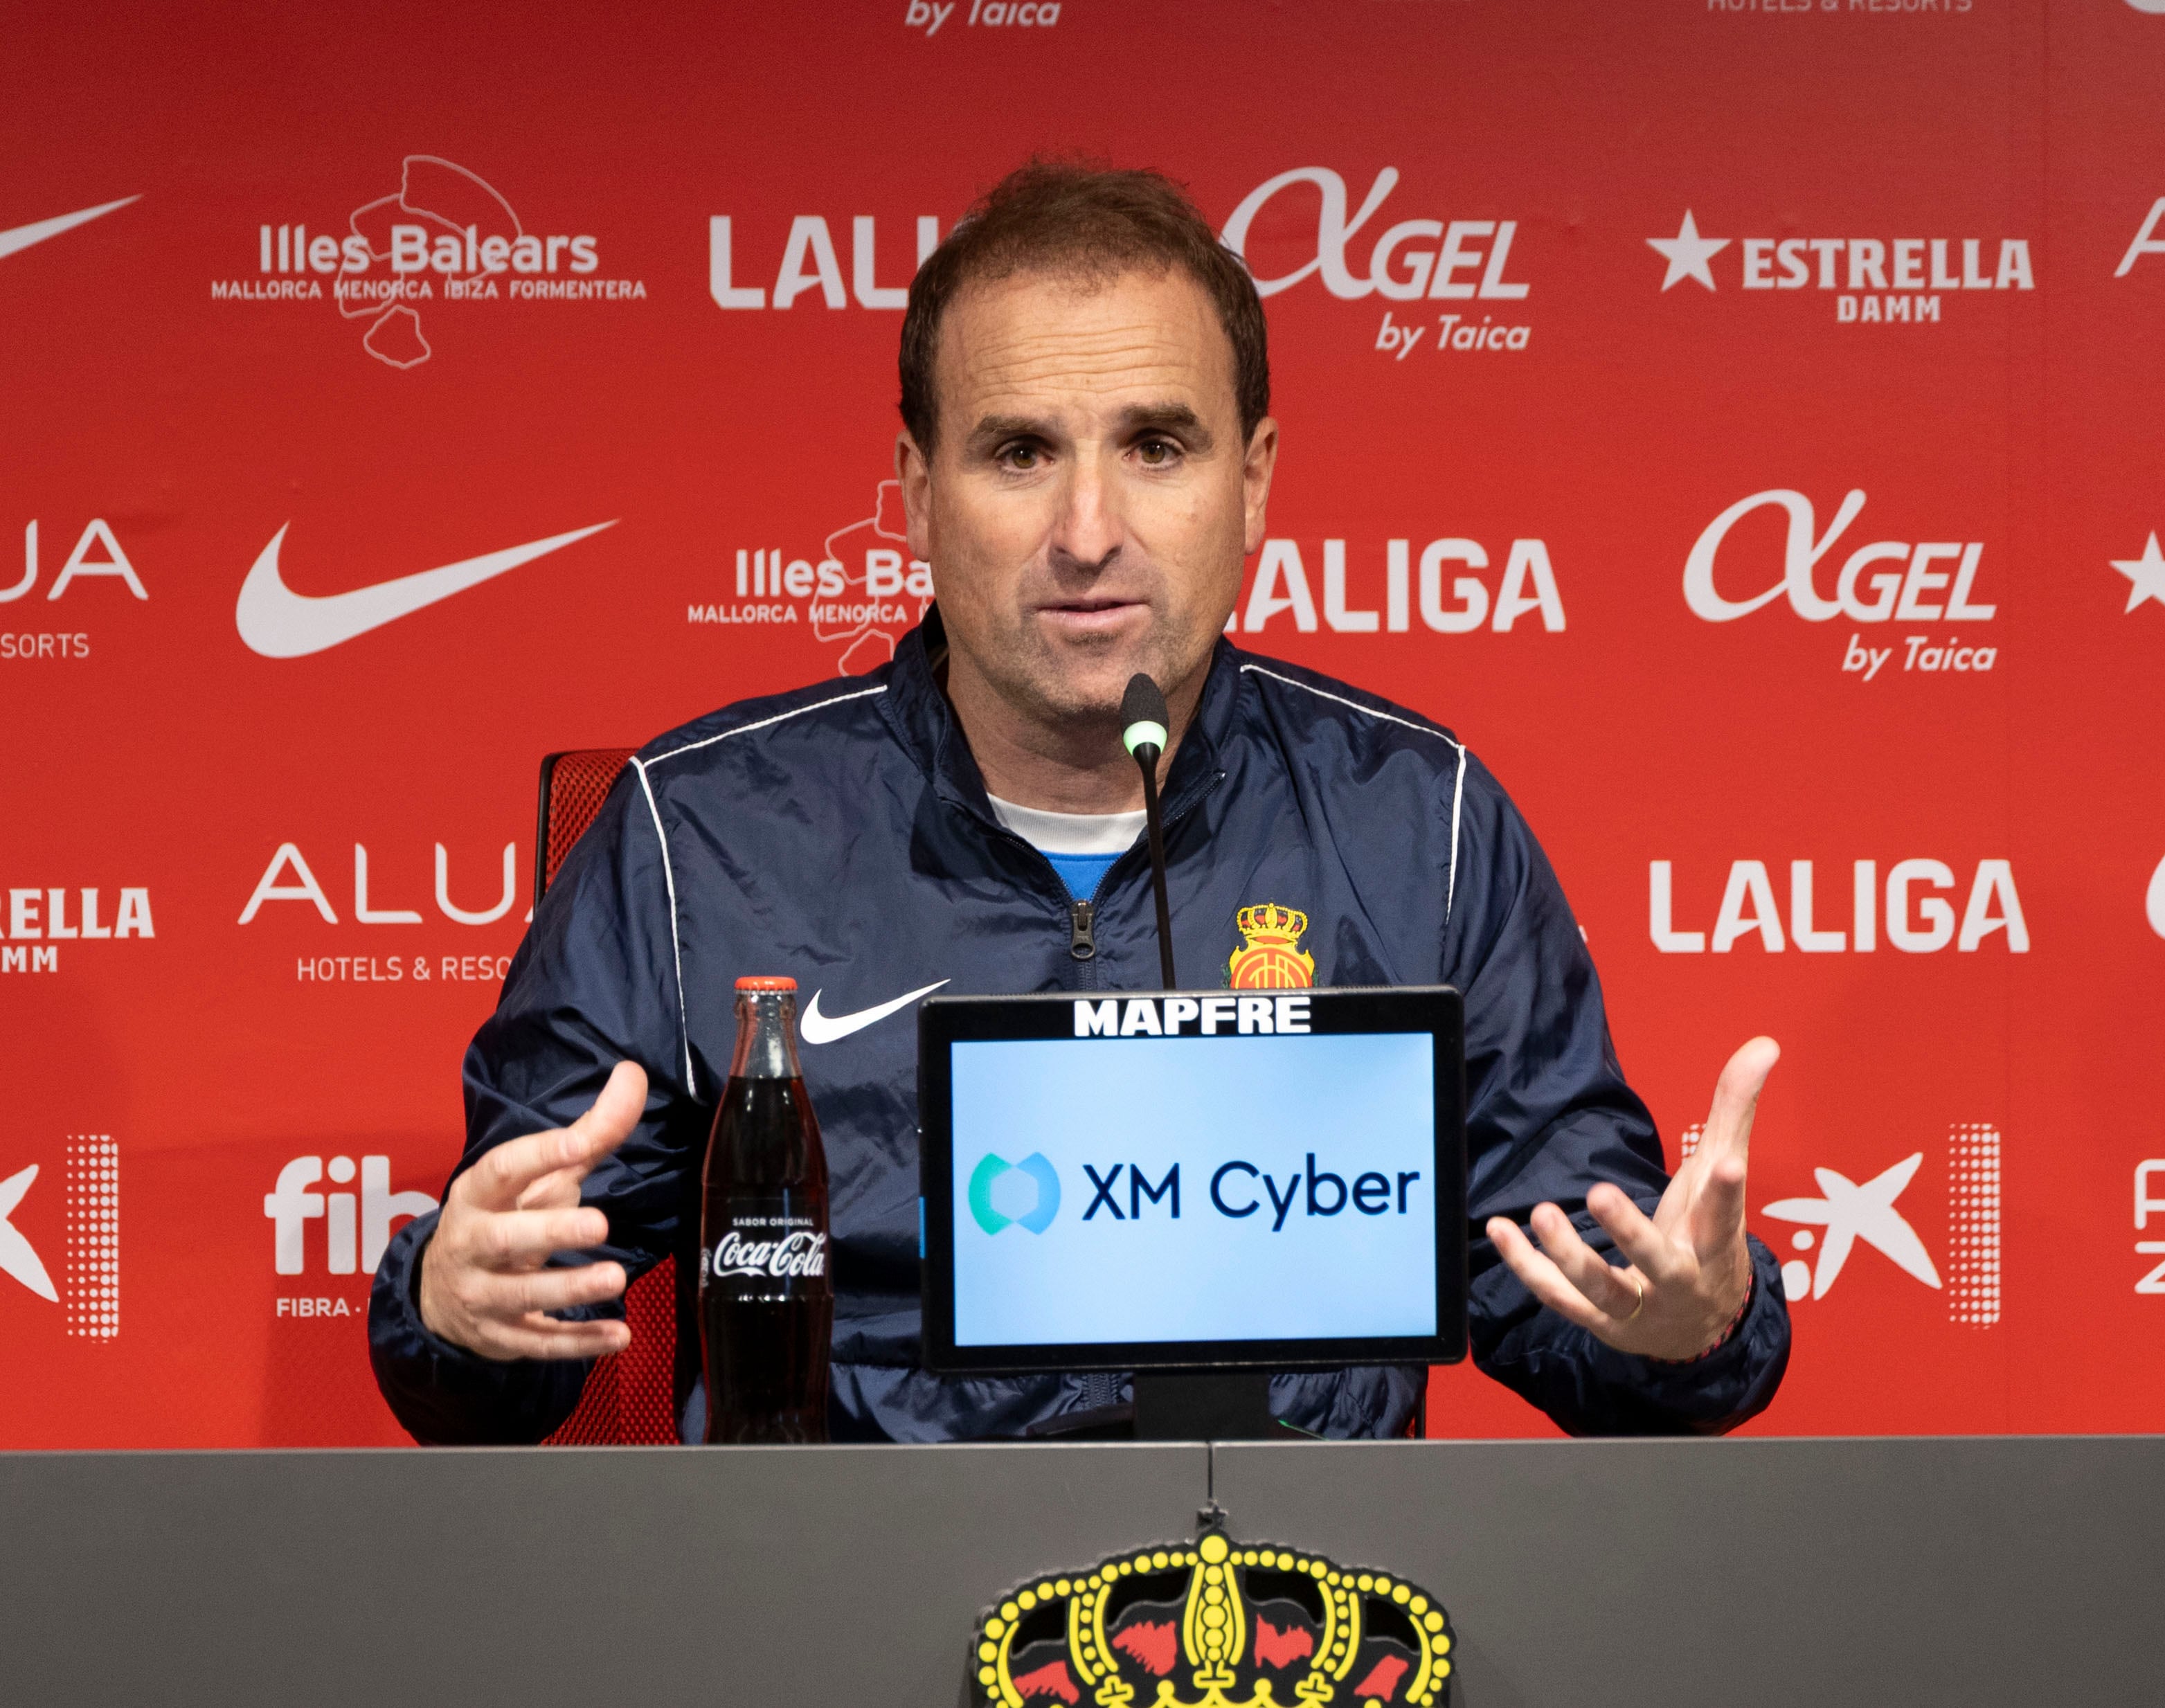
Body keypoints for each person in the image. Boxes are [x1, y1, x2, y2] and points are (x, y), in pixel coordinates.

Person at [368, 161, 1790, 1442]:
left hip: (1299, 1620)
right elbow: (497, 1357)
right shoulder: (701, 836)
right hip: (842, 1613)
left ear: (1257, 483)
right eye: (1020, 451)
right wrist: (453, 1298)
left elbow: (1590, 1299)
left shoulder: (1423, 823)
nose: (1089, 533)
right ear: (919, 495)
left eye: (1157, 448)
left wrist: (1688, 1326)